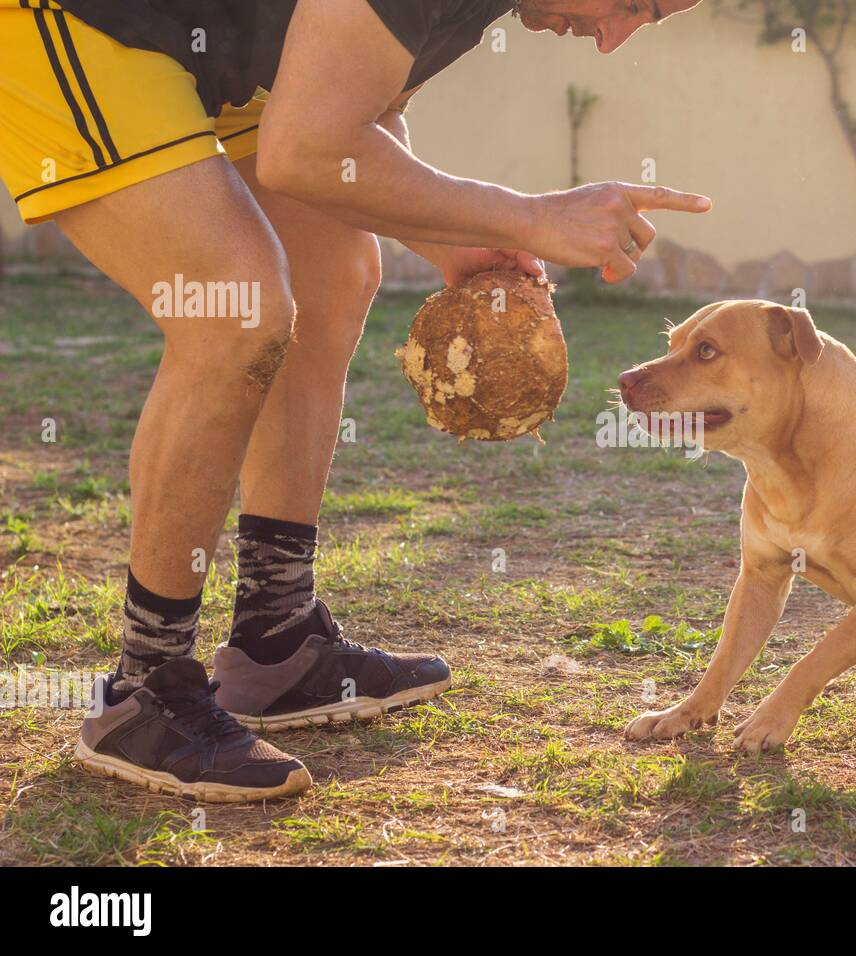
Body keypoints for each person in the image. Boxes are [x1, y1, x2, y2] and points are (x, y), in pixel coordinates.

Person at [0, 0, 709, 802]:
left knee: (335, 275)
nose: (613, 39)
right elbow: (305, 148)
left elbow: (357, 123)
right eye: (637, 4)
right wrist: (531, 216)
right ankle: (144, 684)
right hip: (77, 20)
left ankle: (277, 640)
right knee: (235, 305)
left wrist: (451, 237)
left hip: (201, 42)